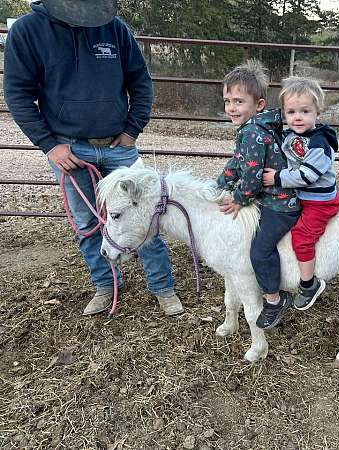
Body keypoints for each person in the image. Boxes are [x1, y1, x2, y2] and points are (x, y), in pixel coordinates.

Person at [3, 0, 184, 316]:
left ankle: (162, 287)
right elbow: (17, 93)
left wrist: (131, 130)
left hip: (119, 146)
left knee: (146, 215)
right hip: (69, 149)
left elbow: (140, 82)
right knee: (86, 222)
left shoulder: (114, 28)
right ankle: (107, 285)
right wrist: (49, 145)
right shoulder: (28, 31)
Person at [216, 60, 300, 330]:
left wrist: (238, 199)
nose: (232, 108)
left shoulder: (252, 132)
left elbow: (251, 179)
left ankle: (275, 299)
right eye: (228, 101)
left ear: (259, 105)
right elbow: (238, 162)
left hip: (280, 204)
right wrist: (219, 183)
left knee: (260, 251)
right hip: (269, 199)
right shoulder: (251, 129)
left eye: (239, 102)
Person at [262, 76, 339, 311]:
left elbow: (307, 175)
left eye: (305, 111)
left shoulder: (319, 142)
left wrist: (276, 178)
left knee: (302, 238)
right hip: (304, 197)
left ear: (318, 112)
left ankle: (309, 284)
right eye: (291, 111)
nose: (297, 117)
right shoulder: (292, 135)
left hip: (319, 202)